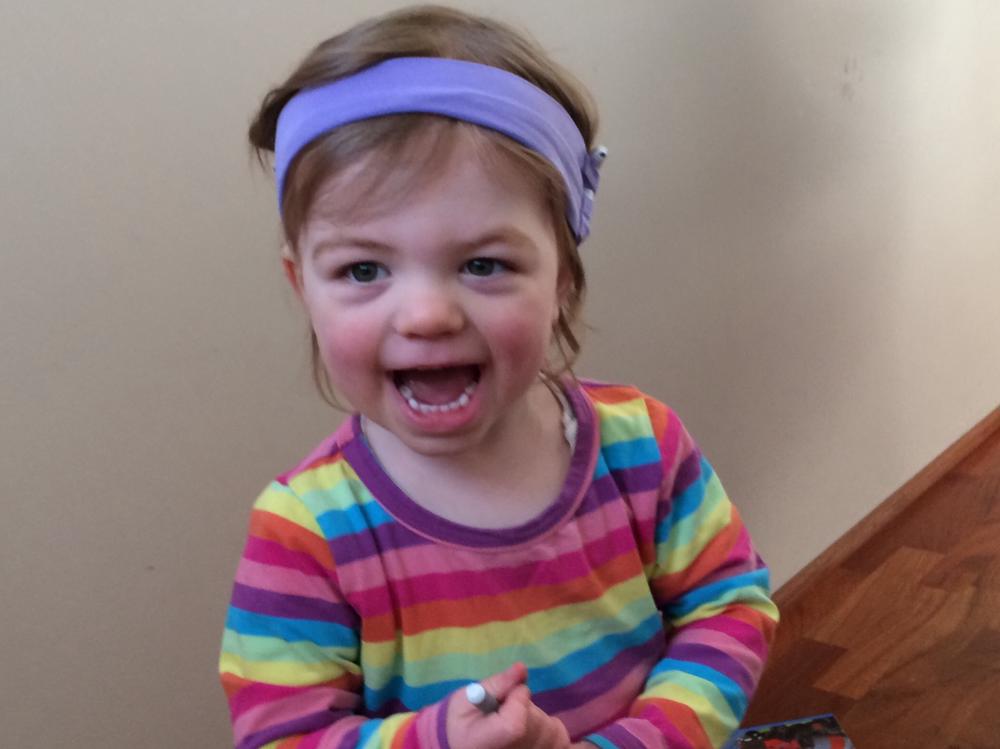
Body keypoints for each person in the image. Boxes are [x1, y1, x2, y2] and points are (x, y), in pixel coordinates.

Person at [219, 6, 778, 748]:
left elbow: (728, 607)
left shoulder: (643, 445)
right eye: (363, 270)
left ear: (562, 280)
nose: (426, 315)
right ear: (303, 288)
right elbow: (283, 737)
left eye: (483, 263)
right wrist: (435, 741)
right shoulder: (305, 533)